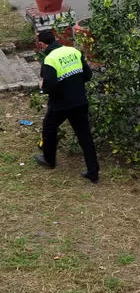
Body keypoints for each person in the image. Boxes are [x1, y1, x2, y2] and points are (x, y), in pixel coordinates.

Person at [34, 29, 99, 183]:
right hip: (80, 101)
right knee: (85, 137)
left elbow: (49, 87)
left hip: (61, 105)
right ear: (56, 39)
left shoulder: (50, 60)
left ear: (43, 45)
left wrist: (42, 87)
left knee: (49, 128)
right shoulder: (74, 51)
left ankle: (49, 159)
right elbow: (88, 75)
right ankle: (93, 172)